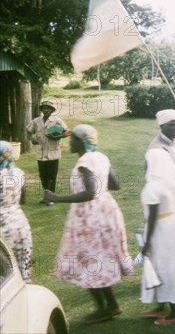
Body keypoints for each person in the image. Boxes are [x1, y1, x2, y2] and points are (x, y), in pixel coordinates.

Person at [44, 124, 132, 323]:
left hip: (90, 218)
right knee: (96, 259)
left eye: (73, 138)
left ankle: (104, 307)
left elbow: (90, 192)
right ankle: (111, 305)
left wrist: (57, 198)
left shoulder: (85, 162)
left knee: (87, 260)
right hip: (107, 212)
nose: (70, 141)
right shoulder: (101, 157)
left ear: (82, 141)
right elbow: (115, 184)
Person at [139, 148, 175, 325]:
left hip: (162, 231)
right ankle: (162, 306)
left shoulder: (152, 187)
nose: (145, 165)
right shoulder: (172, 182)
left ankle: (174, 313)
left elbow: (153, 217)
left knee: (165, 268)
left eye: (147, 161)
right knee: (168, 265)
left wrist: (147, 243)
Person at [0, 141, 32, 282]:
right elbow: (23, 200)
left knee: (7, 276)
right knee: (24, 266)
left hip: (2, 229)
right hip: (20, 224)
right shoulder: (19, 174)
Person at [26, 99, 68, 205]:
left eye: (48, 108)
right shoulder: (36, 121)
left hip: (53, 153)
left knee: (52, 176)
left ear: (52, 110)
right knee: (43, 176)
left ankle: (51, 198)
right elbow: (28, 132)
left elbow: (67, 132)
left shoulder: (57, 120)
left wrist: (56, 137)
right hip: (41, 153)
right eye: (44, 108)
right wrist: (32, 139)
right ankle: (46, 197)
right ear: (41, 109)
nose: (46, 110)